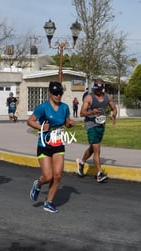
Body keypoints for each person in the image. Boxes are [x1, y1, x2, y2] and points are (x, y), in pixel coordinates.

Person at [28, 82, 75, 213]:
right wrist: (41, 127)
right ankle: (37, 184)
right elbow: (30, 121)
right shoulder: (43, 107)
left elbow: (66, 122)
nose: (58, 96)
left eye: (60, 93)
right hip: (44, 144)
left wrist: (70, 123)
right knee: (48, 177)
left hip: (58, 143)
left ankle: (48, 202)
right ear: (50, 92)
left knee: (58, 175)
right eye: (55, 93)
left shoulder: (65, 107)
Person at [76, 78, 117, 183]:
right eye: (96, 89)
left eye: (100, 89)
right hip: (91, 125)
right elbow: (81, 113)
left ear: (103, 89)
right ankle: (99, 174)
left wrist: (114, 115)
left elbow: (114, 108)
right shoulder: (89, 97)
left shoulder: (107, 97)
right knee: (97, 149)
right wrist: (92, 112)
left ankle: (81, 162)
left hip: (101, 125)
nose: (98, 91)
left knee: (93, 148)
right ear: (94, 88)